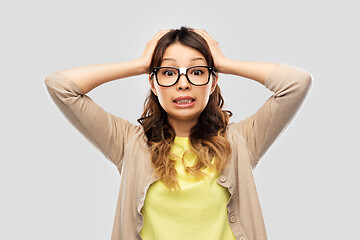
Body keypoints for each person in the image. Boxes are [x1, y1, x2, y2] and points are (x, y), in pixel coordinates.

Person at [44, 26, 313, 240]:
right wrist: (140, 64)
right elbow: (60, 87)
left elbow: (296, 84)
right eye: (169, 72)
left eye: (196, 72)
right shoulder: (129, 143)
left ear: (213, 80)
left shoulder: (240, 141)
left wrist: (222, 62)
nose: (183, 84)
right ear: (152, 82)